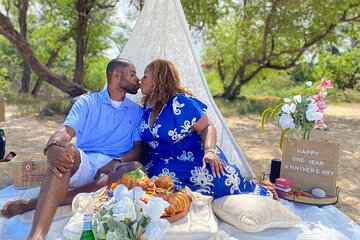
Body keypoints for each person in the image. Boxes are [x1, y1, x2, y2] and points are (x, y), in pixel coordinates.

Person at [0, 58, 144, 240]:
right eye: (132, 74)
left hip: (114, 168)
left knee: (135, 168)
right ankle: (36, 236)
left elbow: (138, 148)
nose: (137, 79)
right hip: (84, 162)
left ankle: (34, 203)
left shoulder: (137, 111)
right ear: (116, 75)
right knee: (65, 150)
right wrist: (53, 146)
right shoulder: (87, 103)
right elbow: (64, 132)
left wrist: (117, 161)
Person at [139, 59, 277, 199]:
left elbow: (207, 127)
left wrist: (210, 151)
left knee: (221, 181)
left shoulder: (180, 102)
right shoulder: (147, 107)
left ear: (159, 79)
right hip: (159, 164)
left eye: (145, 76)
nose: (140, 80)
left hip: (191, 157)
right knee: (159, 182)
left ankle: (258, 189)